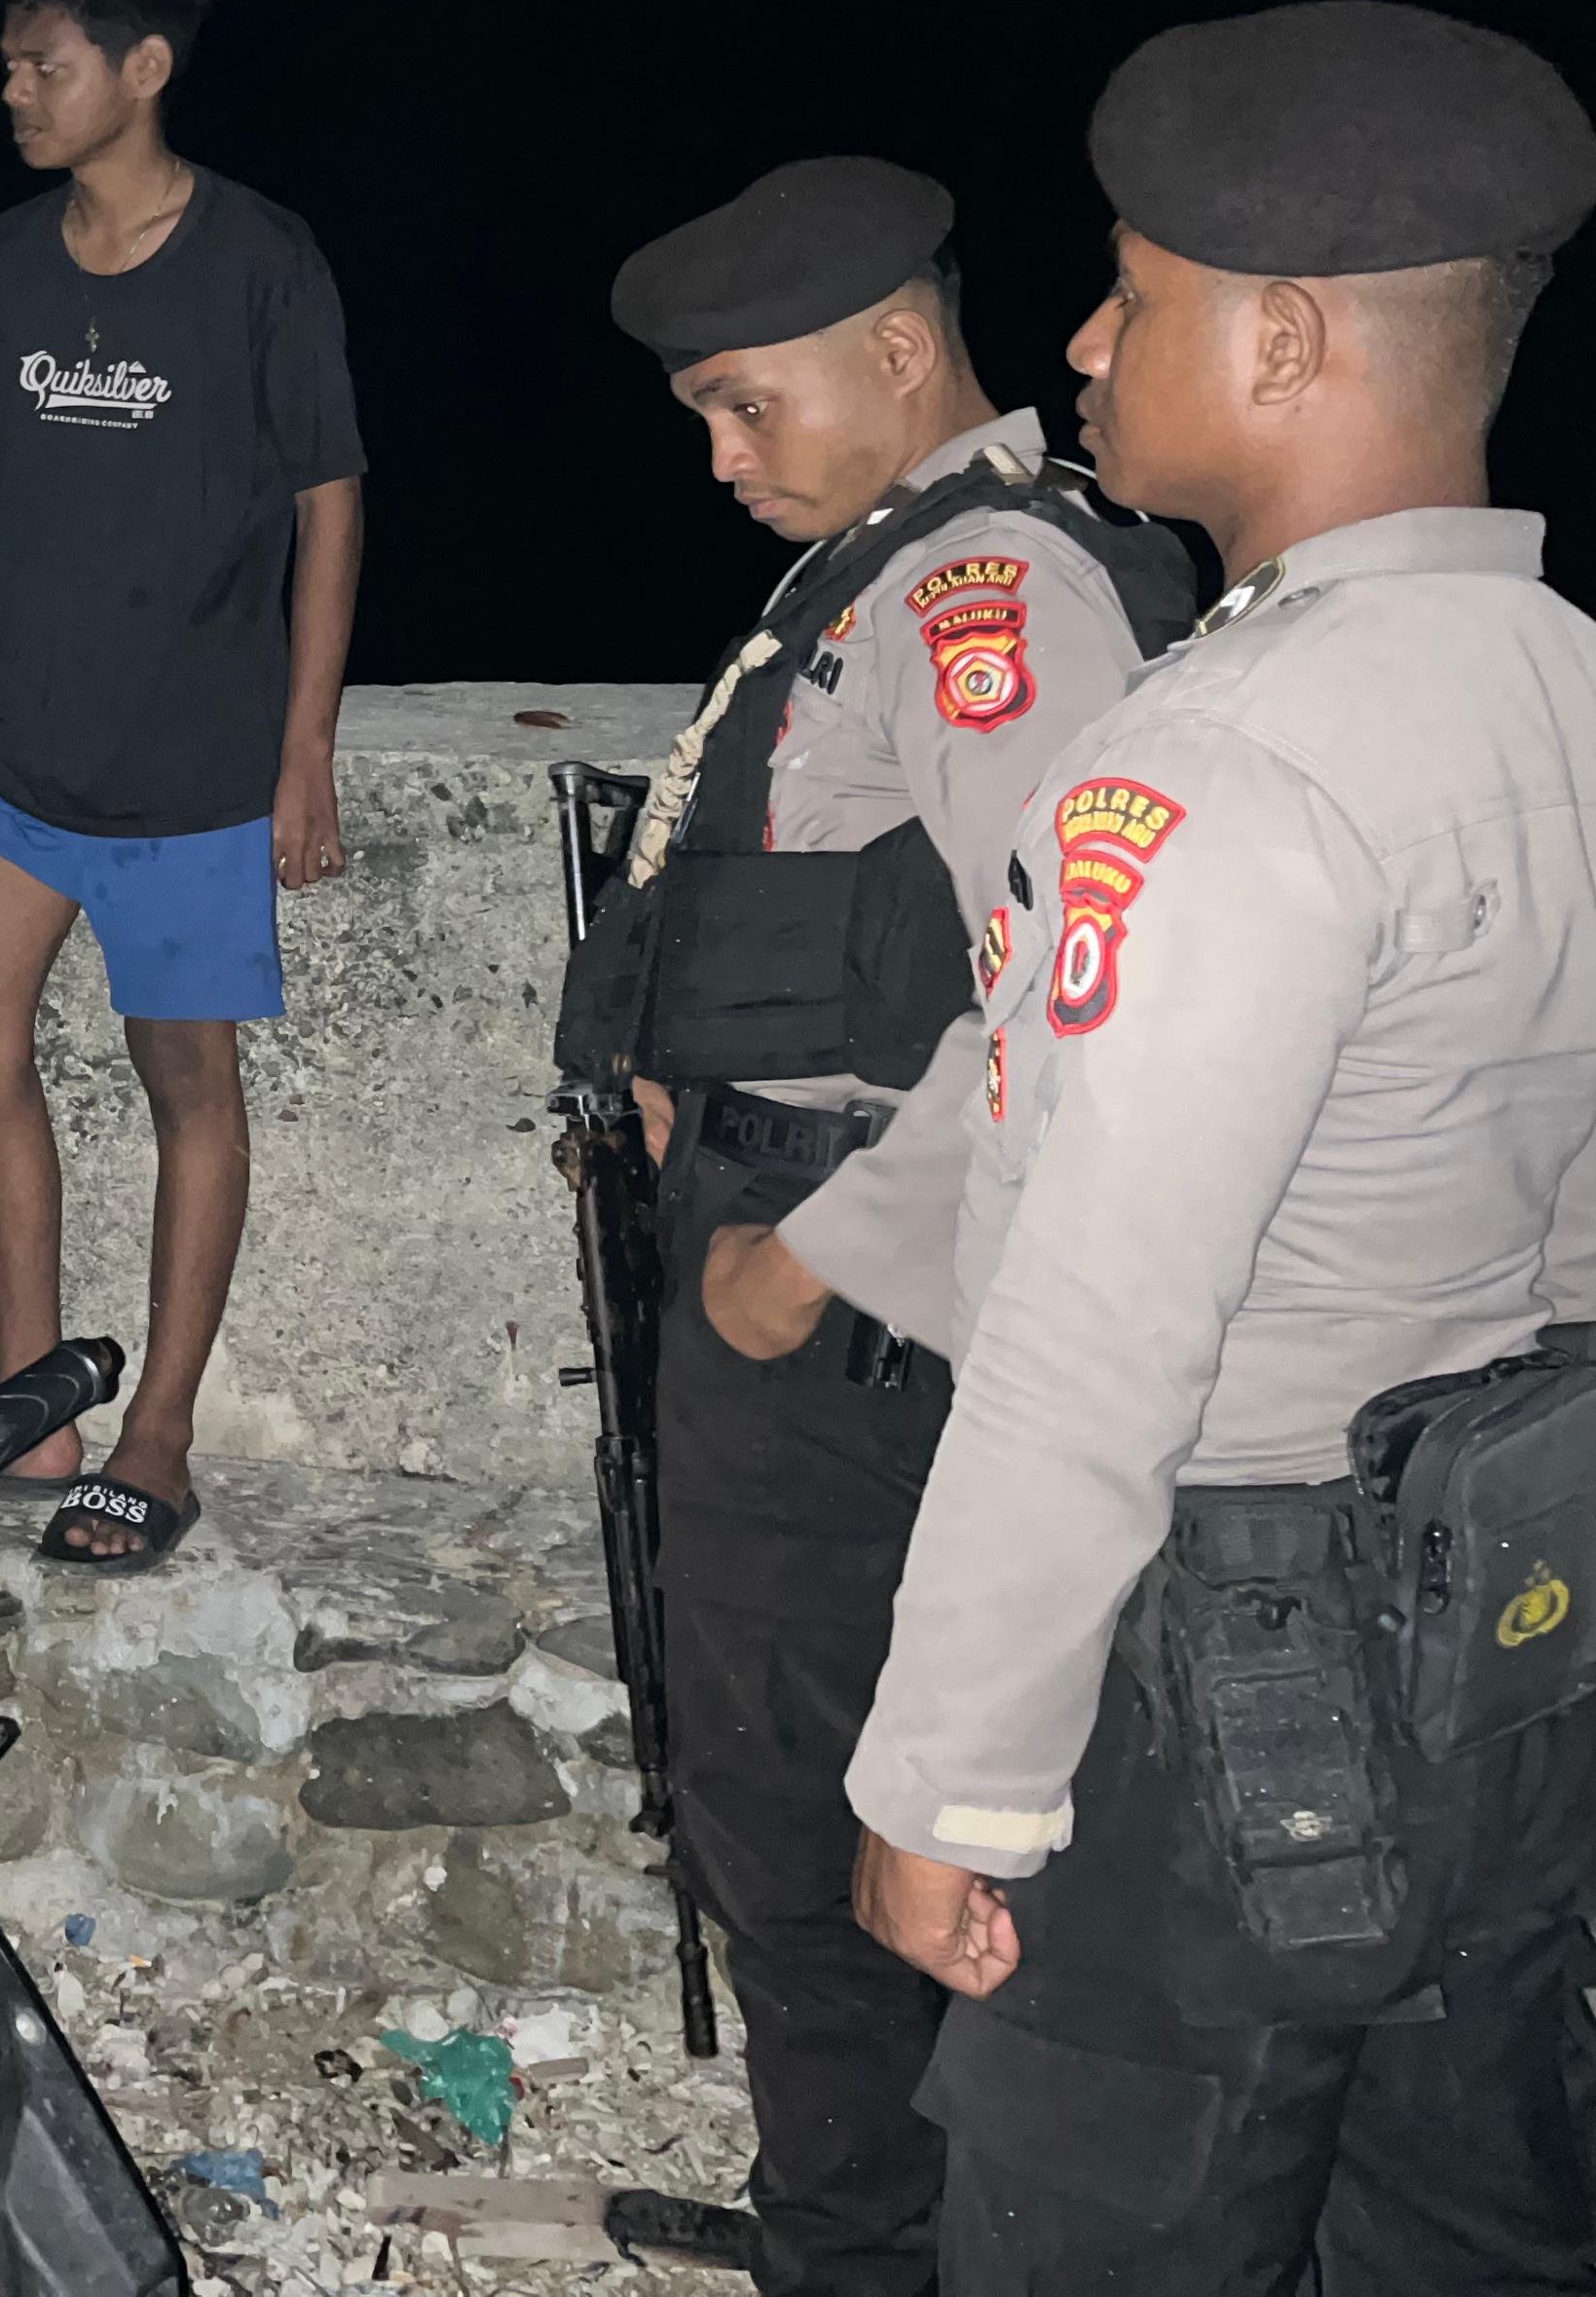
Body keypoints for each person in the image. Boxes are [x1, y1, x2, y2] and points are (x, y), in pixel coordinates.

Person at [846, 0, 1596, 2291]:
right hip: (1530, 1664)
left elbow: (1093, 1324)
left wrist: (949, 1779)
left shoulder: (1223, 763)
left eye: (1138, 294)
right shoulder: (1561, 678)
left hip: (1239, 1686)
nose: (1084, 339)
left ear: (1285, 342)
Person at [562, 158, 1193, 2295]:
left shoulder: (988, 597)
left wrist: (810, 1257)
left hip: (850, 1316)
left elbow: (1080, 1011)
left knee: (833, 1819)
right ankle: (843, 2223)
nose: (723, 460)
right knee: (774, 1789)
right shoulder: (890, 571)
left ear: (902, 347)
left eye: (747, 406)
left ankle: (885, 2255)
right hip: (797, 1261)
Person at [0, 0, 365, 1569]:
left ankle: (157, 1435)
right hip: (24, 761)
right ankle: (36, 1397)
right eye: (11, 62)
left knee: (189, 1089)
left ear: (142, 69)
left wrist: (302, 753)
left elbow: (330, 506)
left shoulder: (259, 261)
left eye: (45, 62)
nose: (15, 89)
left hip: (194, 774)